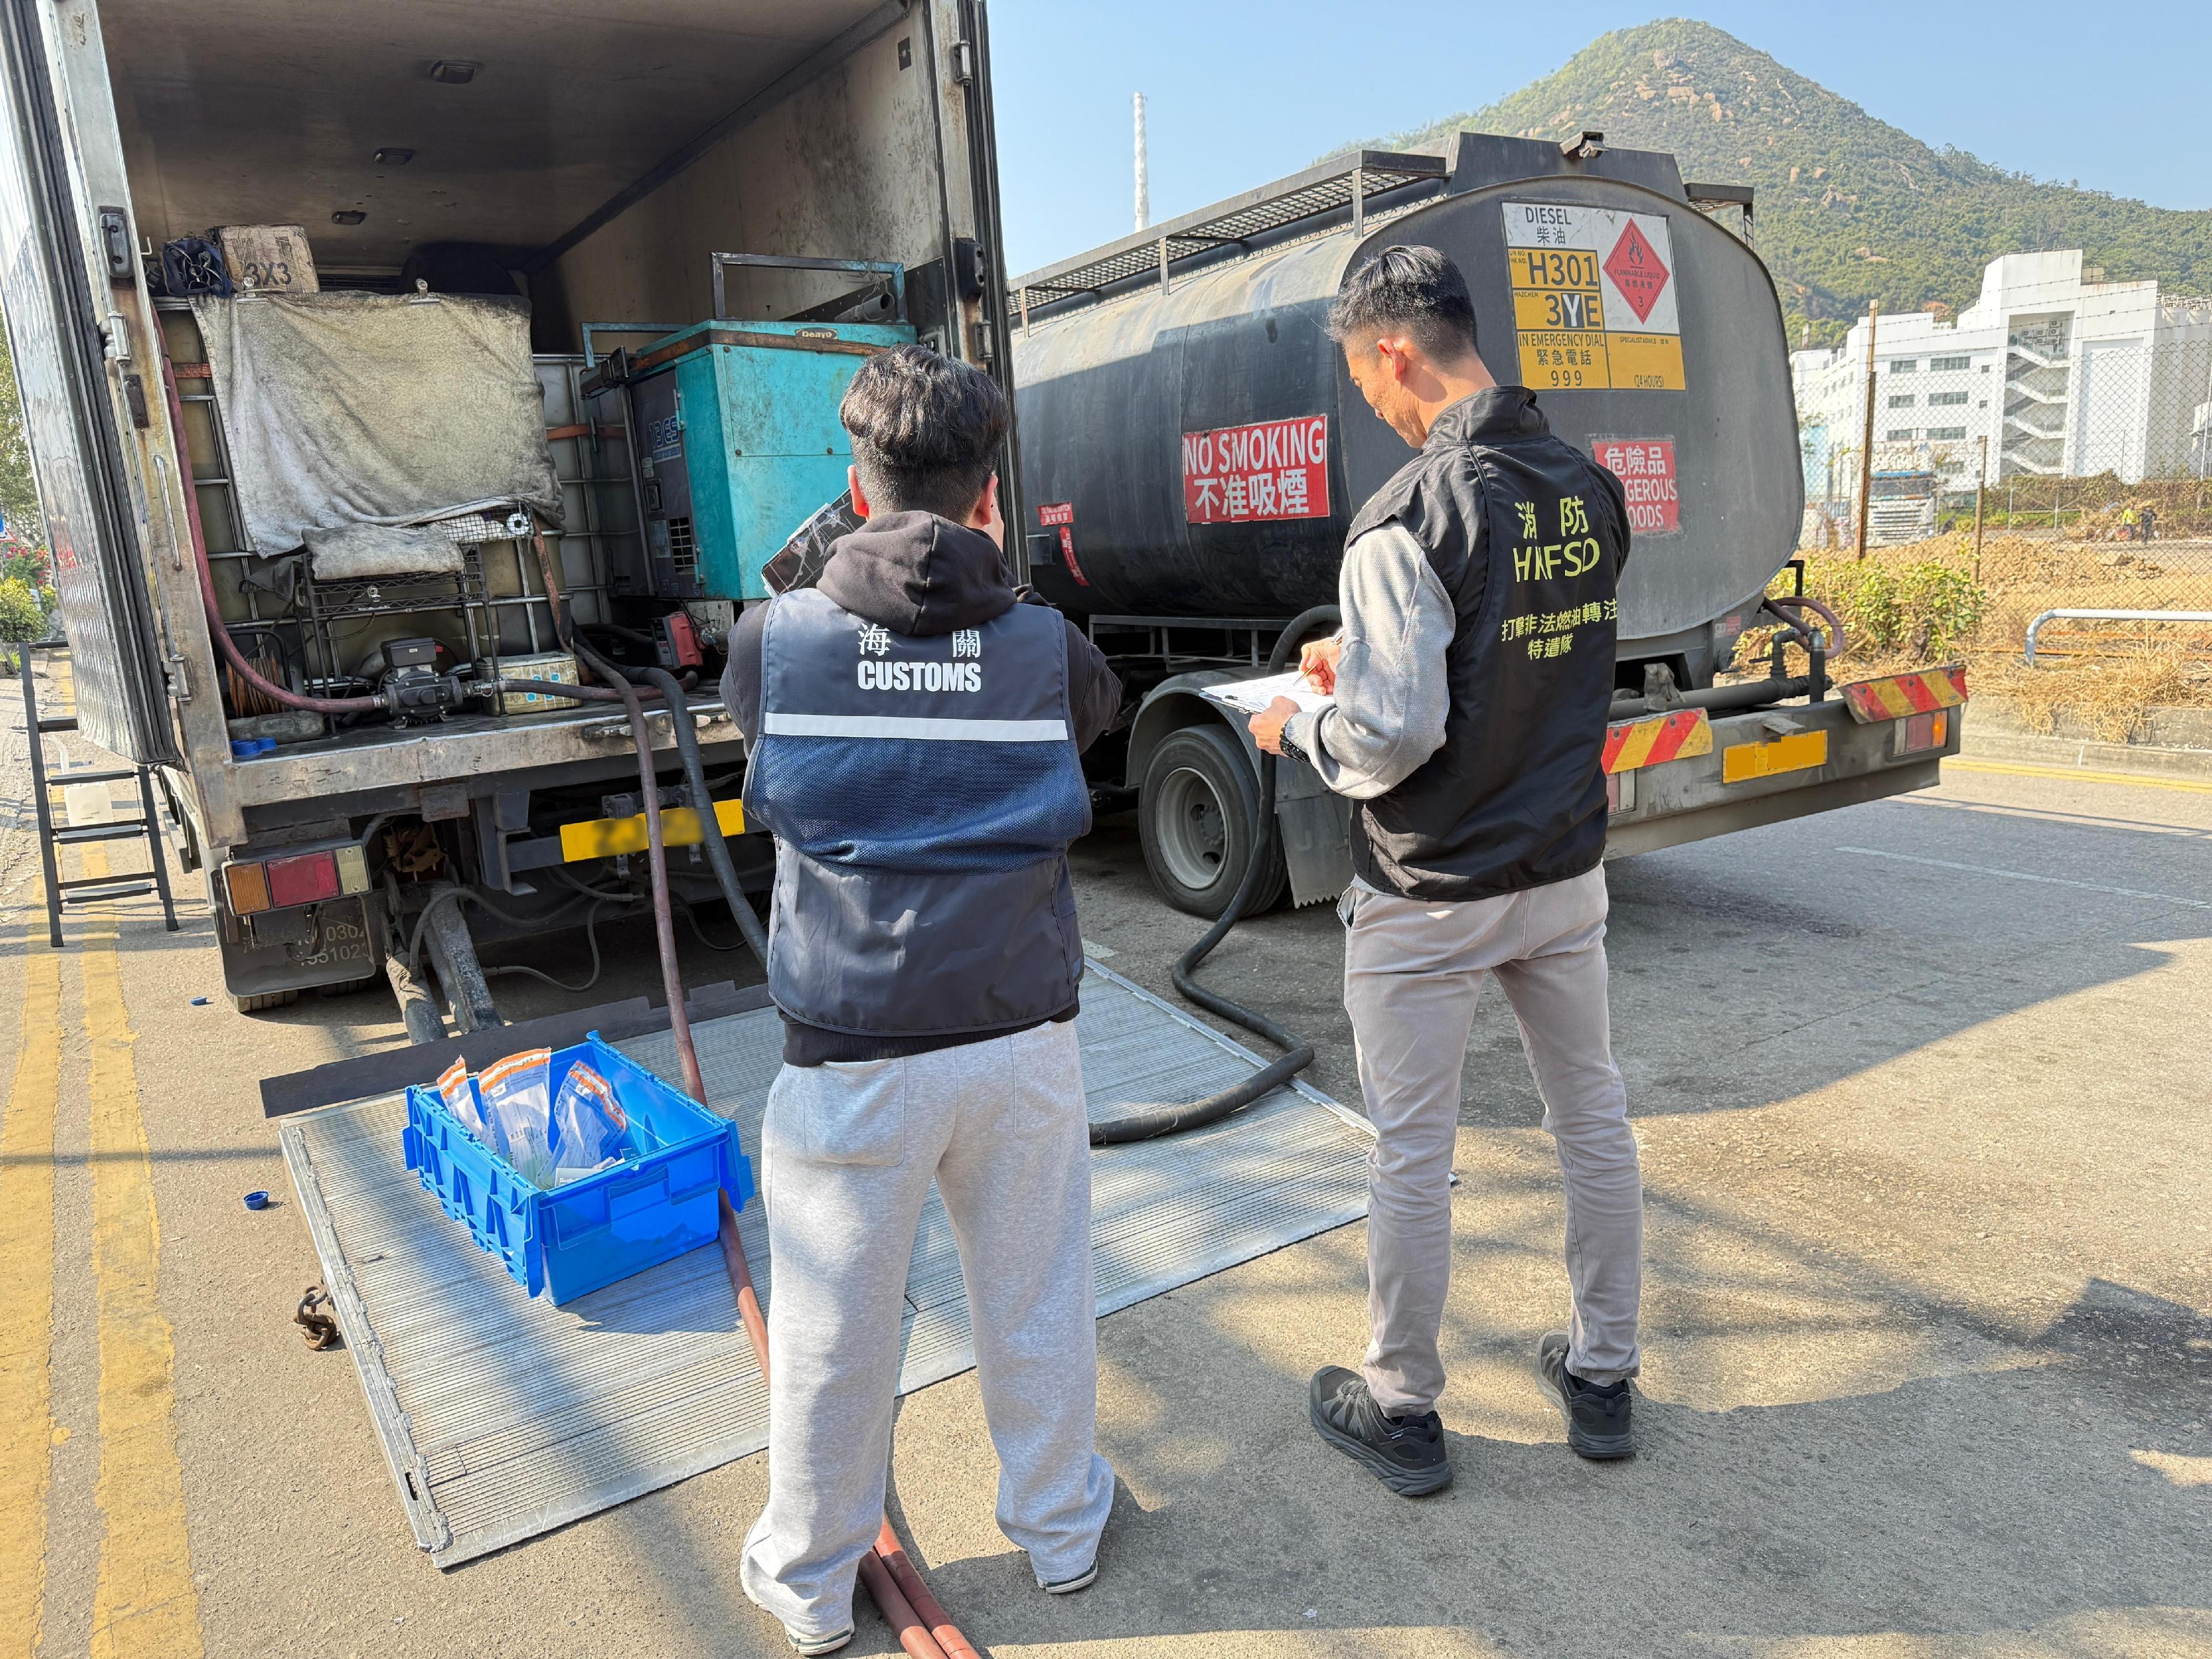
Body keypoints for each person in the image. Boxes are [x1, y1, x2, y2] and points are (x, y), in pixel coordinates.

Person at [723, 345, 1122, 1653]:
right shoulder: (1050, 649)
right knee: (1036, 1298)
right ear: (987, 495)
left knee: (831, 1328)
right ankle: (1060, 1533)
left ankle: (808, 1584)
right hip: (1018, 1039)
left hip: (849, 1055)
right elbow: (1086, 718)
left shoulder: (772, 641)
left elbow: (765, 726)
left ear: (855, 488)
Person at [1248, 245, 1645, 1496]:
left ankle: (1402, 1406)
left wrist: (1299, 724)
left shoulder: (1405, 516)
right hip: (1561, 871)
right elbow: (1523, 654)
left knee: (1413, 1153)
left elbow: (1393, 739)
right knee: (1591, 1118)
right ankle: (1603, 1374)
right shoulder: (1587, 485)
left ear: (1394, 352)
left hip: (1429, 891)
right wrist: (1364, 659)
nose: (1368, 403)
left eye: (1362, 380)